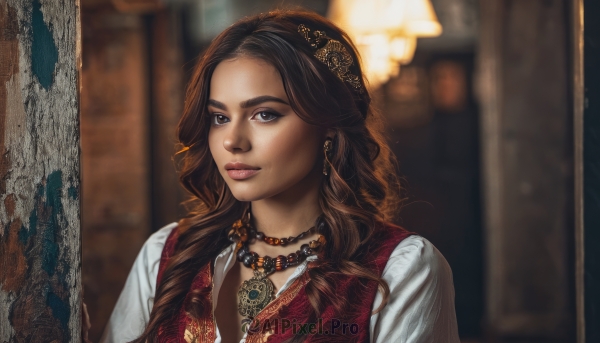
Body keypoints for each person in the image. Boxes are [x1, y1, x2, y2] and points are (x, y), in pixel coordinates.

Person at [99, 9, 460, 343]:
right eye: (219, 117)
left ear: (329, 127)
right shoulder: (166, 255)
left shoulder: (401, 269)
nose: (232, 142)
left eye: (265, 114)